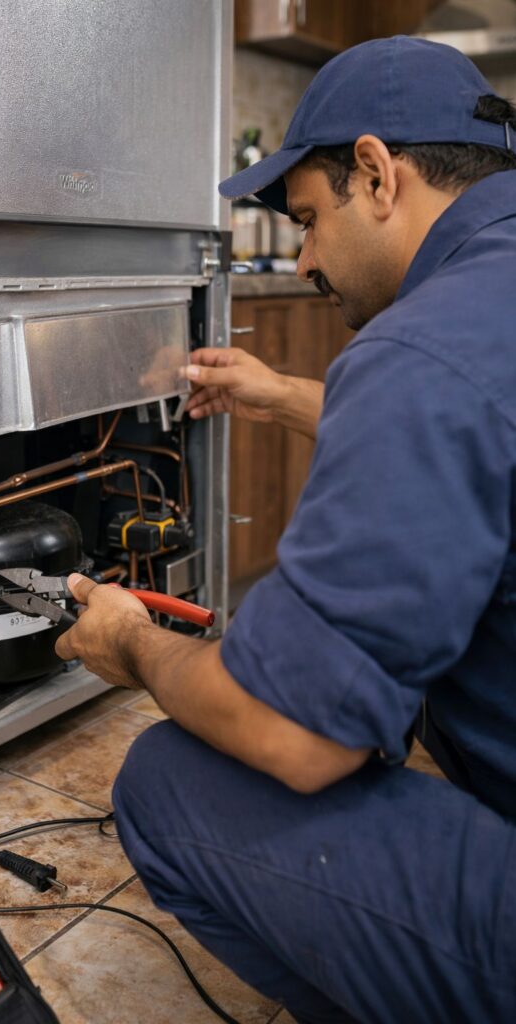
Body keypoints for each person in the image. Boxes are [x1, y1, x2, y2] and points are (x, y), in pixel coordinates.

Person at [56, 36, 516, 1023]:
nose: (302, 258)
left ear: (374, 171)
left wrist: (134, 644)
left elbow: (295, 737)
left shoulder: (424, 348)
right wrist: (283, 394)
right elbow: (481, 419)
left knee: (171, 780)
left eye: (306, 220)